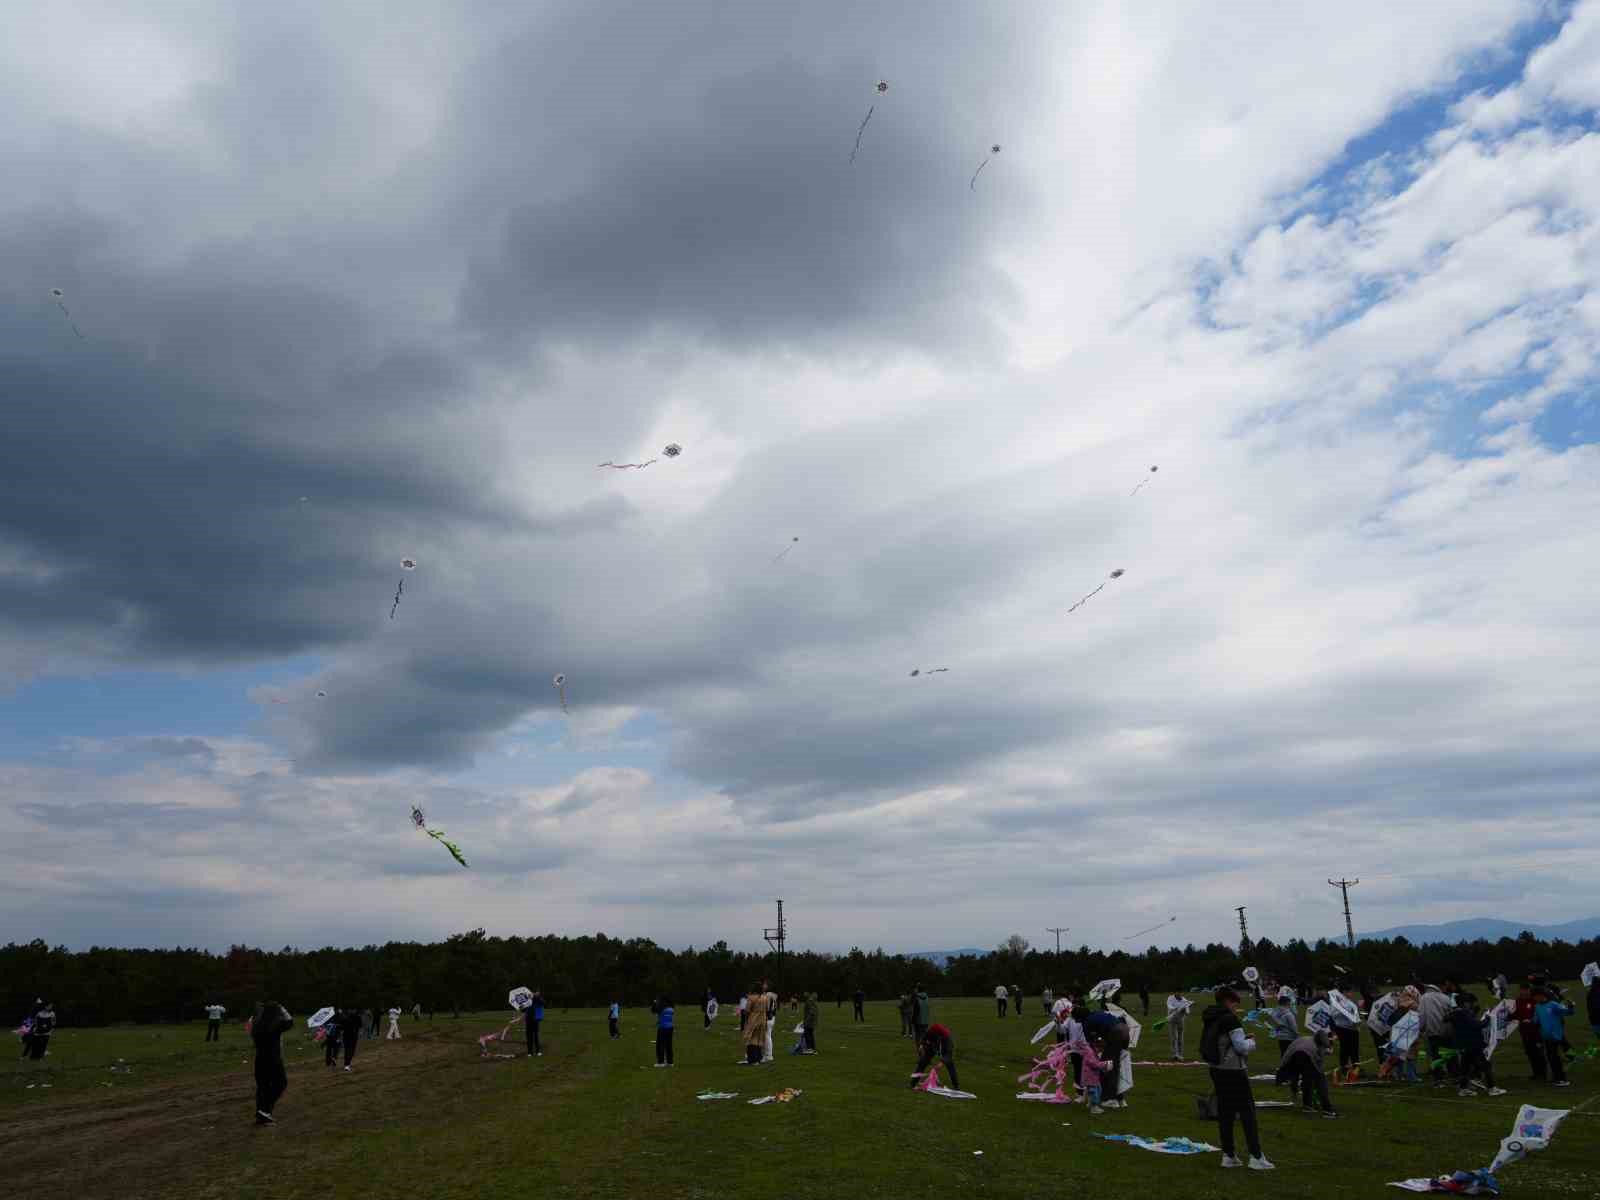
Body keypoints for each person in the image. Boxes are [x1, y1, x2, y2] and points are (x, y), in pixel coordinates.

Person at [1200, 987, 1273, 1171]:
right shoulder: (1230, 1019)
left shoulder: (1211, 1017)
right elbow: (1241, 1047)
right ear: (1227, 1001)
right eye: (1234, 1003)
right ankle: (1256, 1156)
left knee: (1225, 1113)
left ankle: (1228, 1155)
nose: (1236, 1007)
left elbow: (1222, 1042)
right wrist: (1252, 1042)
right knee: (1247, 1113)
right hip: (1234, 1070)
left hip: (1216, 1069)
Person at [1450, 993, 1503, 1097]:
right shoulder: (1464, 1013)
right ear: (1465, 1003)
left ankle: (1463, 1088)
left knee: (1465, 1067)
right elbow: (1476, 1025)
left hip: (1463, 1045)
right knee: (1485, 1065)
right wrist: (1487, 1018)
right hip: (1473, 1044)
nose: (1470, 1004)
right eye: (1469, 1003)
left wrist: (1473, 1014)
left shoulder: (1455, 1013)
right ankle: (1492, 1088)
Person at [1276, 1031, 1338, 1117]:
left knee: (1306, 1081)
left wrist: (1281, 1067)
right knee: (1320, 1083)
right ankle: (1327, 1110)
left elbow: (1288, 1051)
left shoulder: (1304, 1039)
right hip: (1305, 1057)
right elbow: (1319, 1064)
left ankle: (1307, 1105)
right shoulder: (1316, 1047)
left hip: (1293, 1058)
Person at [251, 1000, 292, 1125]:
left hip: (259, 1059)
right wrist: (282, 1008)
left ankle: (261, 1115)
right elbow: (290, 1021)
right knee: (281, 1083)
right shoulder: (276, 1025)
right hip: (273, 1059)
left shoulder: (256, 1024)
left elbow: (257, 1017)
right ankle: (265, 1110)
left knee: (263, 1087)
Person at [1534, 987, 1574, 1088]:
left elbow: (1568, 1012)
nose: (1535, 998)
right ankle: (1557, 1077)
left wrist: (1571, 1007)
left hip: (1556, 1035)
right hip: (1546, 1036)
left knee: (1555, 1058)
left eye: (1536, 996)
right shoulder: (1537, 1007)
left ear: (1542, 995)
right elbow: (1536, 1020)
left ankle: (1562, 1079)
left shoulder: (1553, 1005)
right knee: (1551, 1058)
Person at [1419, 982, 1457, 1087]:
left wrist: (1420, 1029)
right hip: (1447, 1032)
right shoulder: (1445, 997)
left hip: (1432, 1032)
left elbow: (1422, 1015)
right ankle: (1455, 1078)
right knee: (1449, 1055)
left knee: (1436, 1057)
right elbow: (1452, 1013)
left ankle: (1439, 1080)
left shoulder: (1424, 998)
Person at [1511, 983, 1546, 1082]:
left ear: (1529, 991)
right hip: (1524, 1031)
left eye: (1525, 990)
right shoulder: (1518, 1001)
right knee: (1530, 1053)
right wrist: (1507, 1016)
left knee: (1538, 1053)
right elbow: (1517, 1014)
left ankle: (1543, 1074)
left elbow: (1540, 1014)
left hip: (1536, 1032)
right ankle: (1535, 1073)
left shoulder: (1535, 1000)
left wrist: (1531, 1021)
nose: (1523, 992)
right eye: (1521, 990)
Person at [911, 1022, 959, 1091]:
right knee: (922, 1063)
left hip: (943, 1050)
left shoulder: (947, 1041)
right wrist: (922, 1045)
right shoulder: (931, 1031)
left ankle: (956, 1086)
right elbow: (925, 1038)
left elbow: (948, 1055)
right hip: (932, 1048)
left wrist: (941, 1063)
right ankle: (913, 1083)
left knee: (950, 1065)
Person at [1073, 1033, 1111, 1114]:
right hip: (1090, 1077)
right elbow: (1094, 1064)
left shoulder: (1092, 1052)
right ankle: (1094, 1107)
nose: (1100, 1052)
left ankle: (1091, 1103)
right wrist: (1105, 1064)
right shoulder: (1090, 1053)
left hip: (1092, 1076)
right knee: (1094, 1092)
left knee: (1096, 1089)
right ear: (1097, 1047)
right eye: (1100, 1050)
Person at [1331, 989, 1362, 1083]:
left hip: (1353, 1029)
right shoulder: (1336, 1003)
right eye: (1348, 992)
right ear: (1343, 993)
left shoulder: (1352, 1003)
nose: (1350, 994)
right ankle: (1344, 1069)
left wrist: (1357, 1022)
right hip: (1342, 1029)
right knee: (1344, 1049)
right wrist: (1342, 1011)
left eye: (1351, 992)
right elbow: (1333, 1015)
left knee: (1354, 1049)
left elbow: (1356, 1015)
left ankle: (1356, 1069)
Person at [1264, 993, 1299, 1060]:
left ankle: (1283, 1067)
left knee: (1283, 1053)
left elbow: (1272, 1022)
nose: (1290, 1004)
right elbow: (1293, 1026)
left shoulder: (1275, 1013)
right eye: (1289, 1003)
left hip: (1280, 1036)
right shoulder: (1288, 1014)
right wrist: (1297, 1035)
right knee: (1290, 1054)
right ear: (1286, 1003)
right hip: (1289, 1037)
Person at [740, 984, 767, 1065]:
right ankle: (759, 1058)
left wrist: (745, 1019)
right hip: (763, 1019)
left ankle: (752, 1059)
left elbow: (747, 1010)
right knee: (759, 1039)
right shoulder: (765, 997)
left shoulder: (751, 997)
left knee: (751, 1040)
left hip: (753, 1019)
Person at [650, 994, 675, 1067]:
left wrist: (654, 1003)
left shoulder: (661, 1007)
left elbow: (653, 1010)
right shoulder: (671, 1008)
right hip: (670, 1028)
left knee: (660, 1045)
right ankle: (670, 1062)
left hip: (662, 1028)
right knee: (669, 1045)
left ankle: (660, 1062)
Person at [1167, 991, 1191, 1060]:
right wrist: (1176, 1008)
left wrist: (1185, 1009)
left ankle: (1180, 1054)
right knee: (1174, 1037)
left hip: (1180, 1020)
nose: (1179, 994)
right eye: (1177, 993)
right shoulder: (1170, 998)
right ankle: (1175, 1054)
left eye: (1180, 993)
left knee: (1180, 1038)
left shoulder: (1184, 1001)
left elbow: (1188, 1012)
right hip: (1171, 1019)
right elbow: (1169, 1006)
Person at [337, 1006, 361, 1071]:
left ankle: (347, 1064)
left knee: (349, 1051)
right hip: (351, 1036)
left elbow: (340, 1026)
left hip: (348, 1036)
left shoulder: (344, 1017)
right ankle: (347, 1065)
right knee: (350, 1051)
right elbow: (360, 1025)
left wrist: (340, 1014)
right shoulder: (355, 1017)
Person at [525, 989, 545, 1058]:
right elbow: (523, 1009)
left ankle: (538, 1051)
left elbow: (542, 1003)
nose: (532, 994)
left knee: (536, 1036)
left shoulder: (537, 999)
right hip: (528, 1020)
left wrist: (536, 997)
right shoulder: (527, 1000)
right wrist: (521, 1008)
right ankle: (529, 1052)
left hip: (535, 1020)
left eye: (535, 993)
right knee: (529, 1037)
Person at [762, 984, 778, 1063]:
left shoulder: (768, 995)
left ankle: (768, 1055)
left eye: (765, 985)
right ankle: (767, 1055)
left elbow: (767, 1007)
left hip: (768, 1017)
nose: (763, 986)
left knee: (767, 1036)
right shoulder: (774, 995)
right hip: (773, 1017)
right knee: (768, 1036)